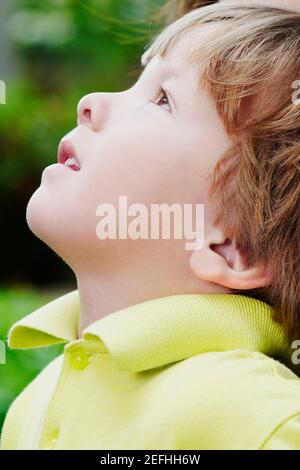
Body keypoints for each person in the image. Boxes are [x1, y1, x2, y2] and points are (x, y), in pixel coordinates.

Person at [1, 0, 300, 450]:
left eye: (163, 100)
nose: (90, 102)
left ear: (228, 251)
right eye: (138, 83)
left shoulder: (258, 416)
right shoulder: (36, 399)